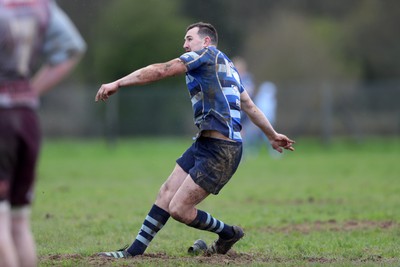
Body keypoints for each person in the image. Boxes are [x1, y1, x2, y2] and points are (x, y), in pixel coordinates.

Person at [95, 22, 294, 258]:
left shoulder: (206, 55)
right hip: (205, 143)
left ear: (206, 41)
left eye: (189, 39)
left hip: (223, 149)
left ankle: (229, 233)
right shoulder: (226, 64)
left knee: (179, 208)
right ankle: (133, 252)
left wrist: (118, 82)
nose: (185, 44)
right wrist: (272, 135)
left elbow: (161, 70)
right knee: (166, 193)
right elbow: (248, 104)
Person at [0, 1, 86, 266]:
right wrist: (31, 92)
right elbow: (73, 48)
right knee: (19, 222)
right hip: (27, 118)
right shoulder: (41, 7)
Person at [242, 81, 281, 158]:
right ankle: (253, 150)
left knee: (266, 137)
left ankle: (273, 150)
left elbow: (271, 112)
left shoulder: (271, 100)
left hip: (267, 121)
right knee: (256, 136)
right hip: (260, 122)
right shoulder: (262, 99)